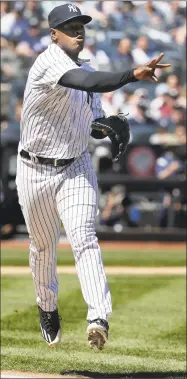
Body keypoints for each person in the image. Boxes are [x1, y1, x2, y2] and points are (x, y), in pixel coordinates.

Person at [15, 3, 170, 350]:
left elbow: (94, 122)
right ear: (54, 34)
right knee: (43, 248)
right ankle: (47, 307)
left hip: (75, 166)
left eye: (81, 25)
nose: (78, 31)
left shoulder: (87, 70)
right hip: (34, 168)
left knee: (84, 236)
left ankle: (98, 318)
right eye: (69, 27)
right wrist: (132, 74)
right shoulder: (49, 62)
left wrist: (109, 125)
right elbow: (88, 82)